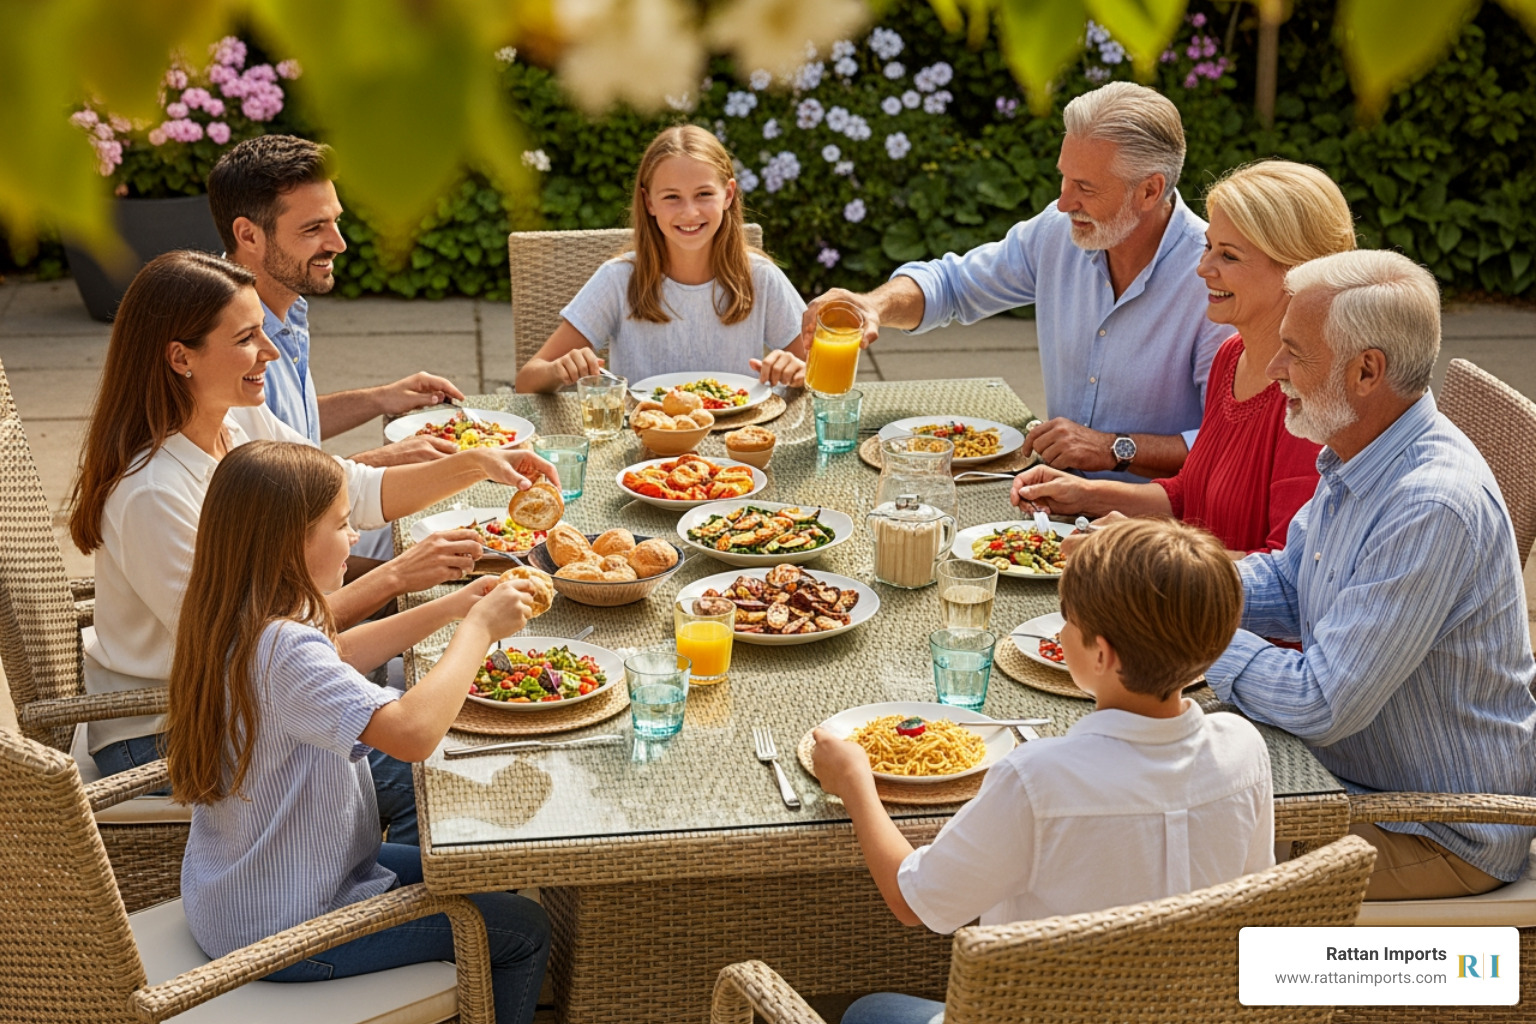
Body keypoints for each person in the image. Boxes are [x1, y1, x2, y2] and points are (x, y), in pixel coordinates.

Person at [67, 251, 555, 845]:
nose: (270, 353)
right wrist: (395, 580)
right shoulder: (151, 493)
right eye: (247, 339)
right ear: (181, 357)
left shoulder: (236, 423)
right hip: (171, 730)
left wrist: (477, 464)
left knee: (450, 715)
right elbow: (243, 646)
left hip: (254, 687)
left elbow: (350, 488)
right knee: (440, 767)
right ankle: (365, 902)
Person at [814, 518, 1273, 1024]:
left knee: (867, 1009)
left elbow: (911, 900)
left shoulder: (1036, 781)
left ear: (1102, 653)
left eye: (1067, 619)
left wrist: (856, 783)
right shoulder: (1245, 750)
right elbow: (1248, 906)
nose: (1058, 631)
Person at [167, 441, 549, 1024]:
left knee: (478, 869)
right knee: (522, 929)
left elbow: (336, 652)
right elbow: (413, 734)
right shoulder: (282, 646)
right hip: (289, 928)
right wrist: (476, 630)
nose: (353, 540)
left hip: (247, 890)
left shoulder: (238, 611)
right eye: (342, 525)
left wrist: (451, 608)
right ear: (290, 539)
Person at [1207, 249, 1536, 899]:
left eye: (1294, 353)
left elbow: (1321, 702)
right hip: (1350, 781)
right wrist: (1174, 588)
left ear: (1366, 371)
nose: (1273, 369)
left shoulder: (1430, 506)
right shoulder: (1359, 447)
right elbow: (1291, 580)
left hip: (1435, 830)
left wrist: (1188, 637)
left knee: (1174, 848)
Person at [801, 82, 1232, 483]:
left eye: (1084, 187)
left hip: (1157, 533)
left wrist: (1114, 449)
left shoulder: (1214, 281)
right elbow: (952, 285)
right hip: (1052, 504)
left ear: (1149, 192)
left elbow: (1230, 446)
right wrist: (874, 305)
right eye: (1064, 177)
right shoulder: (1057, 231)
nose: (1064, 202)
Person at [1012, 161, 1354, 554]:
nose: (1203, 268)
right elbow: (1188, 495)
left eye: (1228, 256)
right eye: (1209, 246)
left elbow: (1288, 575)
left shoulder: (1315, 395)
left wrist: (1143, 550)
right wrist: (1084, 494)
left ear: (1297, 270)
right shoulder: (1231, 357)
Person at [207, 134, 469, 469]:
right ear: (249, 235)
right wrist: (377, 463)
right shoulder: (224, 344)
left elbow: (287, 427)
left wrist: (379, 398)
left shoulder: (282, 309)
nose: (339, 243)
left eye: (336, 221)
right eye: (314, 228)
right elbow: (259, 498)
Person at [515, 124, 809, 392]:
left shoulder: (761, 277)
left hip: (739, 441)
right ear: (649, 202)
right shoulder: (618, 280)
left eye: (704, 194)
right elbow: (528, 380)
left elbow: (821, 379)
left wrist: (798, 371)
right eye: (672, 197)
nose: (689, 212)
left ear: (728, 195)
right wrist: (559, 371)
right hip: (644, 441)